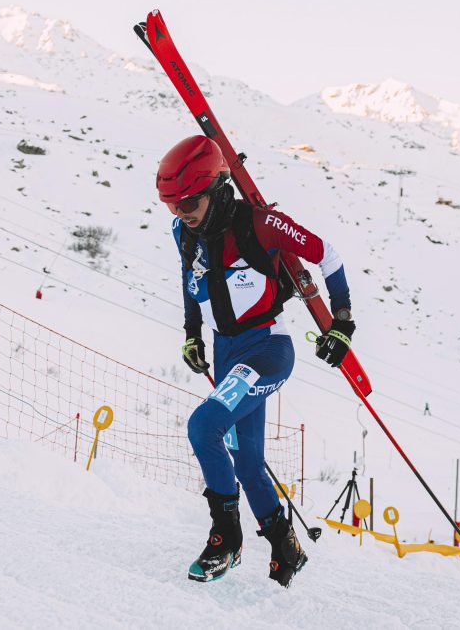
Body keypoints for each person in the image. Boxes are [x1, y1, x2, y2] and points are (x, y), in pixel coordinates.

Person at [158, 135, 357, 587]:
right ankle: (286, 546)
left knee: (203, 427)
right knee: (247, 461)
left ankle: (226, 538)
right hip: (227, 353)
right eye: (170, 204)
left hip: (266, 349)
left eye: (188, 201)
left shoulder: (262, 224)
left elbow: (327, 254)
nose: (180, 212)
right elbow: (191, 283)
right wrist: (192, 335)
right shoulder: (183, 232)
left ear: (215, 187)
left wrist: (342, 323)